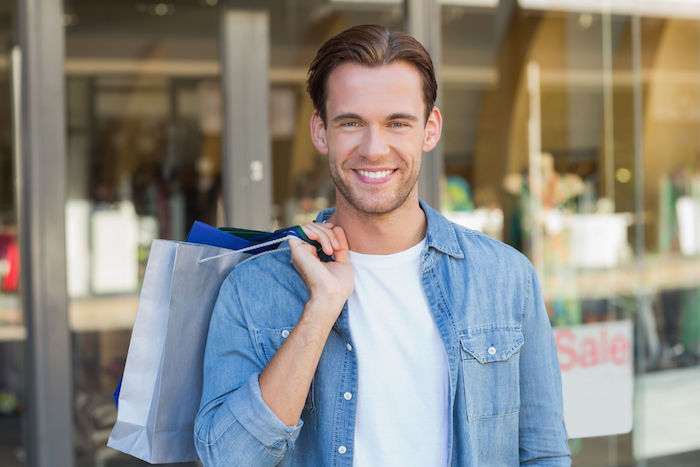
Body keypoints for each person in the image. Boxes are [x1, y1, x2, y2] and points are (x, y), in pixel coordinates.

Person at [194, 24, 571, 466]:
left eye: (397, 123)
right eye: (351, 123)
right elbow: (227, 459)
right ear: (320, 131)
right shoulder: (254, 288)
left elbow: (543, 454)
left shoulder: (506, 277)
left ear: (430, 130)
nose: (374, 149)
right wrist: (320, 310)